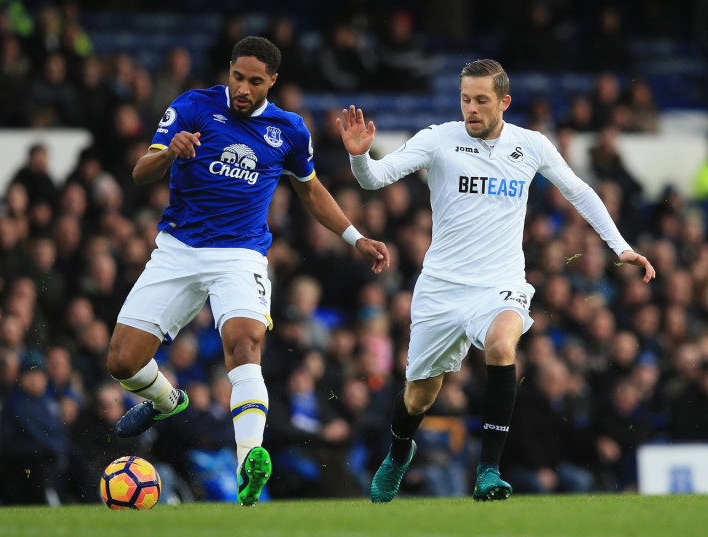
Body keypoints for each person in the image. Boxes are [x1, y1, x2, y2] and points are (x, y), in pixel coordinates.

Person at [336, 58, 655, 503]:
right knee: (419, 398)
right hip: (442, 287)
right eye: (466, 99)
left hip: (500, 283)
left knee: (503, 344)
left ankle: (489, 471)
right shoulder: (438, 139)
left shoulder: (532, 145)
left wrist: (619, 246)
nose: (471, 108)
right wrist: (358, 156)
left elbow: (578, 190)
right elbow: (375, 180)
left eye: (482, 100)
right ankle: (399, 450)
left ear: (504, 101)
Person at [106, 36, 390, 507]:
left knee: (244, 344)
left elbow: (312, 191)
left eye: (254, 82)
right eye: (237, 77)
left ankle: (248, 462)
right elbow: (140, 172)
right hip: (178, 249)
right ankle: (165, 401)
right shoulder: (194, 107)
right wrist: (168, 151)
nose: (242, 88)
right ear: (230, 70)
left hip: (240, 255)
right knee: (121, 362)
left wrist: (355, 237)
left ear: (271, 82)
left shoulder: (289, 130)